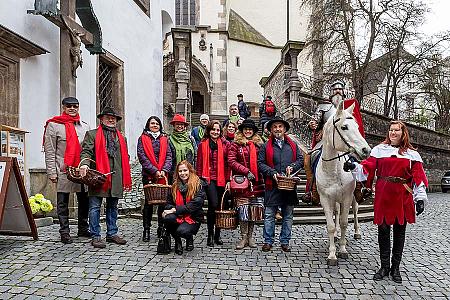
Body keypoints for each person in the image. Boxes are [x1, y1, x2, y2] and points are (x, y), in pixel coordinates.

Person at [347, 120, 428, 284]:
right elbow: (367, 168)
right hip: (384, 195)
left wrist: (420, 197)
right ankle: (384, 267)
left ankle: (395, 268)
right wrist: (354, 166)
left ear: (403, 133)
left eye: (397, 130)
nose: (393, 133)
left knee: (400, 232)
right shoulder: (378, 150)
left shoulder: (412, 154)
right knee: (383, 231)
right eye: (391, 130)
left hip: (402, 195)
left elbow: (418, 176)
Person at [304, 79, 366, 205]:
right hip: (326, 141)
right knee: (311, 158)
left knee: (356, 157)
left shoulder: (350, 107)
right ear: (331, 92)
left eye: (340, 89)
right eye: (335, 89)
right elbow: (315, 121)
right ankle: (312, 190)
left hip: (345, 140)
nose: (337, 91)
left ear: (343, 91)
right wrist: (313, 125)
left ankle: (360, 187)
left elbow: (354, 126)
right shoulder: (324, 107)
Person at [80, 107, 132, 248]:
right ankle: (96, 236)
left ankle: (112, 234)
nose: (111, 119)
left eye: (113, 118)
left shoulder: (122, 138)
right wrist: (84, 165)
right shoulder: (92, 134)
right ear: (101, 119)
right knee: (95, 207)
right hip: (99, 176)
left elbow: (124, 156)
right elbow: (86, 152)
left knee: (112, 207)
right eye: (108, 117)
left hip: (115, 177)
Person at [43, 97, 90, 244]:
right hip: (63, 168)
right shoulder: (54, 125)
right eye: (69, 106)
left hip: (80, 168)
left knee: (84, 200)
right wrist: (51, 172)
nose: (72, 108)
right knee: (63, 202)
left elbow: (88, 149)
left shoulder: (84, 126)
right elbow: (50, 150)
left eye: (75, 106)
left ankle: (83, 227)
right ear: (63, 107)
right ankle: (64, 231)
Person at [258, 116, 303, 252]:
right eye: (275, 127)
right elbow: (260, 163)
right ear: (271, 130)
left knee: (288, 215)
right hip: (272, 185)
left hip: (288, 186)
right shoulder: (265, 146)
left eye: (280, 126)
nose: (277, 129)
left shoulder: (293, 145)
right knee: (269, 214)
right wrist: (272, 172)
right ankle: (268, 241)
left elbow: (301, 160)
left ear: (284, 129)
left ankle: (285, 241)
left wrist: (293, 166)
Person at [229, 119, 264, 249]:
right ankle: (243, 237)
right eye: (245, 129)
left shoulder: (259, 145)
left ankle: (250, 237)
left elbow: (263, 161)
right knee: (243, 210)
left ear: (254, 131)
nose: (248, 131)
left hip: (257, 182)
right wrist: (246, 171)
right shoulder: (235, 145)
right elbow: (231, 161)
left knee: (253, 211)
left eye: (250, 129)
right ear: (242, 131)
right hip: (242, 183)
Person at [137, 116, 173, 242]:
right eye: (152, 123)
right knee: (149, 203)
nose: (155, 125)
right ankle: (146, 229)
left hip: (163, 174)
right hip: (149, 175)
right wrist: (154, 171)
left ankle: (161, 227)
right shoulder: (142, 138)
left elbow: (169, 155)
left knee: (163, 203)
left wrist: (164, 170)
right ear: (148, 124)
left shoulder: (165, 139)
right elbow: (142, 156)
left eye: (157, 123)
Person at [196, 120, 229, 247]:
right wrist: (200, 178)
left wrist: (229, 180)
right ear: (209, 131)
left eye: (218, 130)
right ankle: (210, 234)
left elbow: (228, 164)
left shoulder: (225, 144)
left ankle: (217, 234)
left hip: (222, 179)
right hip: (208, 179)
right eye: (213, 129)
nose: (215, 132)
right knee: (213, 204)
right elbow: (199, 163)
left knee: (220, 207)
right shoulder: (202, 144)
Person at [162, 161, 206, 255]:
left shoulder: (198, 184)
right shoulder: (174, 186)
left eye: (185, 170)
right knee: (167, 218)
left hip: (193, 217)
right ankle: (178, 242)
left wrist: (175, 209)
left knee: (182, 231)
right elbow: (168, 203)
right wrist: (168, 209)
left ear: (190, 170)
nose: (183, 173)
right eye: (180, 171)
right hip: (179, 216)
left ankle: (189, 237)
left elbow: (196, 204)